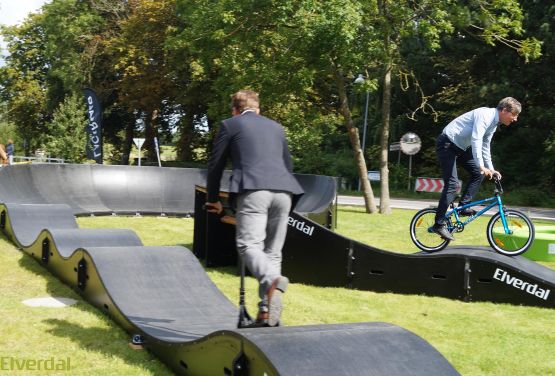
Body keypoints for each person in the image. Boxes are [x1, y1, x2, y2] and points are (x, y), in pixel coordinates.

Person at [206, 89, 304, 326]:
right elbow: (288, 164)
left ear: (235, 109)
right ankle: (266, 312)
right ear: (258, 108)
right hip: (284, 192)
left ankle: (271, 280)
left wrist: (213, 198)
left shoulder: (230, 125)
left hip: (254, 191)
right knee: (272, 252)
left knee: (248, 244)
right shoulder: (277, 128)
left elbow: (215, 164)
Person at [433, 97, 521, 240]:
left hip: (460, 147)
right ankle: (438, 224)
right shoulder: (485, 115)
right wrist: (481, 165)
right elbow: (476, 140)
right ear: (505, 110)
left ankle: (464, 205)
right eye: (514, 114)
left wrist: (490, 169)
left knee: (478, 173)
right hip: (447, 144)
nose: (515, 119)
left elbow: (485, 145)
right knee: (452, 185)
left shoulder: (493, 123)